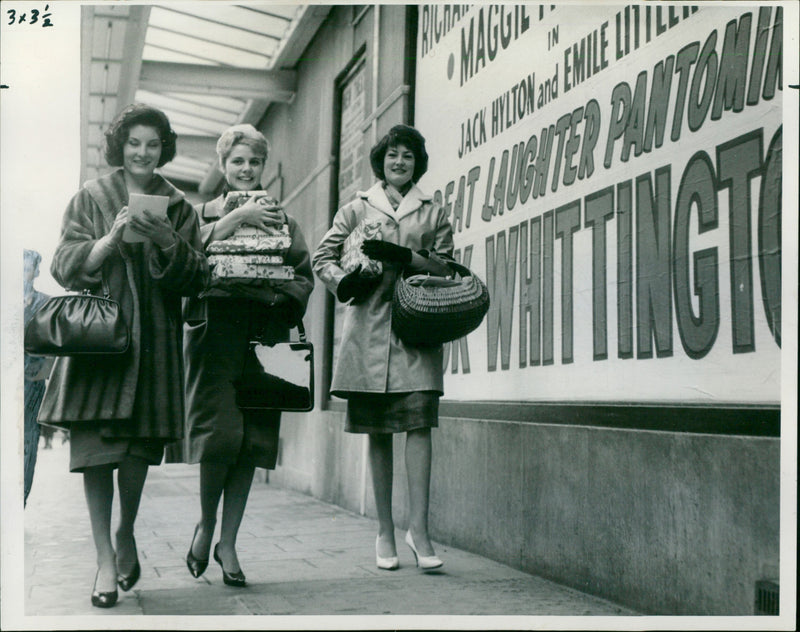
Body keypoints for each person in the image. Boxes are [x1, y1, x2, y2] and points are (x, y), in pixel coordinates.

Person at [36, 103, 208, 608]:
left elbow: (199, 275)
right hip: (97, 343)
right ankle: (105, 562)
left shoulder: (178, 206)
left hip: (152, 342)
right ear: (120, 146)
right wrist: (109, 241)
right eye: (134, 143)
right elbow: (64, 265)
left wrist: (167, 241)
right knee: (95, 454)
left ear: (163, 149)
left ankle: (125, 529)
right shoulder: (90, 198)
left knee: (136, 452)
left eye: (153, 144)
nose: (143, 153)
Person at [312, 124, 454, 571]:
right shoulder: (357, 207)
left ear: (418, 163)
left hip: (417, 330)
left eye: (408, 156)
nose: (399, 162)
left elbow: (449, 267)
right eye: (392, 155)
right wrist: (346, 279)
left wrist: (409, 260)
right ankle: (384, 531)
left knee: (419, 426)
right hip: (368, 330)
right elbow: (323, 258)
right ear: (381, 161)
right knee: (377, 432)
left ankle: (421, 531)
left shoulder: (433, 211)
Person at [181, 124, 314, 587]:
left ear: (263, 168)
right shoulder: (198, 214)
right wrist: (235, 221)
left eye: (254, 162)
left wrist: (279, 297)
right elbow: (182, 260)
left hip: (266, 333)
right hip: (214, 334)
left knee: (253, 440)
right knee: (219, 436)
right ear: (222, 166)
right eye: (237, 161)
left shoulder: (285, 222)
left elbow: (302, 272)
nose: (245, 169)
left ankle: (229, 543)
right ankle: (206, 524)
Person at [23, 249, 53, 506]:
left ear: (36, 272)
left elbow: (53, 344)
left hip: (31, 384)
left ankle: (18, 499)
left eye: (26, 269)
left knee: (28, 442)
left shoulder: (45, 303)